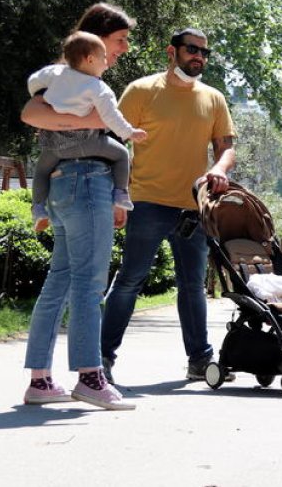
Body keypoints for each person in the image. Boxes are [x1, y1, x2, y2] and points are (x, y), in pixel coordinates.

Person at [99, 27, 237, 384]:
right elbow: (111, 143)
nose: (199, 57)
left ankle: (199, 360)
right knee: (130, 280)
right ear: (171, 51)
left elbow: (226, 147)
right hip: (146, 202)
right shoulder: (141, 91)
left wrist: (219, 169)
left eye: (205, 53)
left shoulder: (213, 98)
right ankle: (101, 360)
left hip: (194, 207)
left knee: (193, 286)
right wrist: (116, 194)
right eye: (192, 50)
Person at [19, 3, 137, 410]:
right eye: (118, 41)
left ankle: (40, 380)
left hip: (62, 184)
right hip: (87, 180)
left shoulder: (59, 80)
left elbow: (39, 112)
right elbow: (29, 114)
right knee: (89, 284)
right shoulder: (84, 83)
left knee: (60, 281)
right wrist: (95, 125)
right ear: (96, 40)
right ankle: (90, 376)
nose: (122, 49)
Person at [27, 32, 147, 230]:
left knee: (40, 171)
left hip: (55, 147)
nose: (107, 63)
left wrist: (40, 94)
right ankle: (121, 194)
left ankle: (38, 208)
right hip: (88, 143)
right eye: (103, 58)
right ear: (90, 59)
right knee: (122, 154)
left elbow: (33, 81)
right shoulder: (98, 87)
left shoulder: (53, 74)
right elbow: (112, 117)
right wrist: (130, 132)